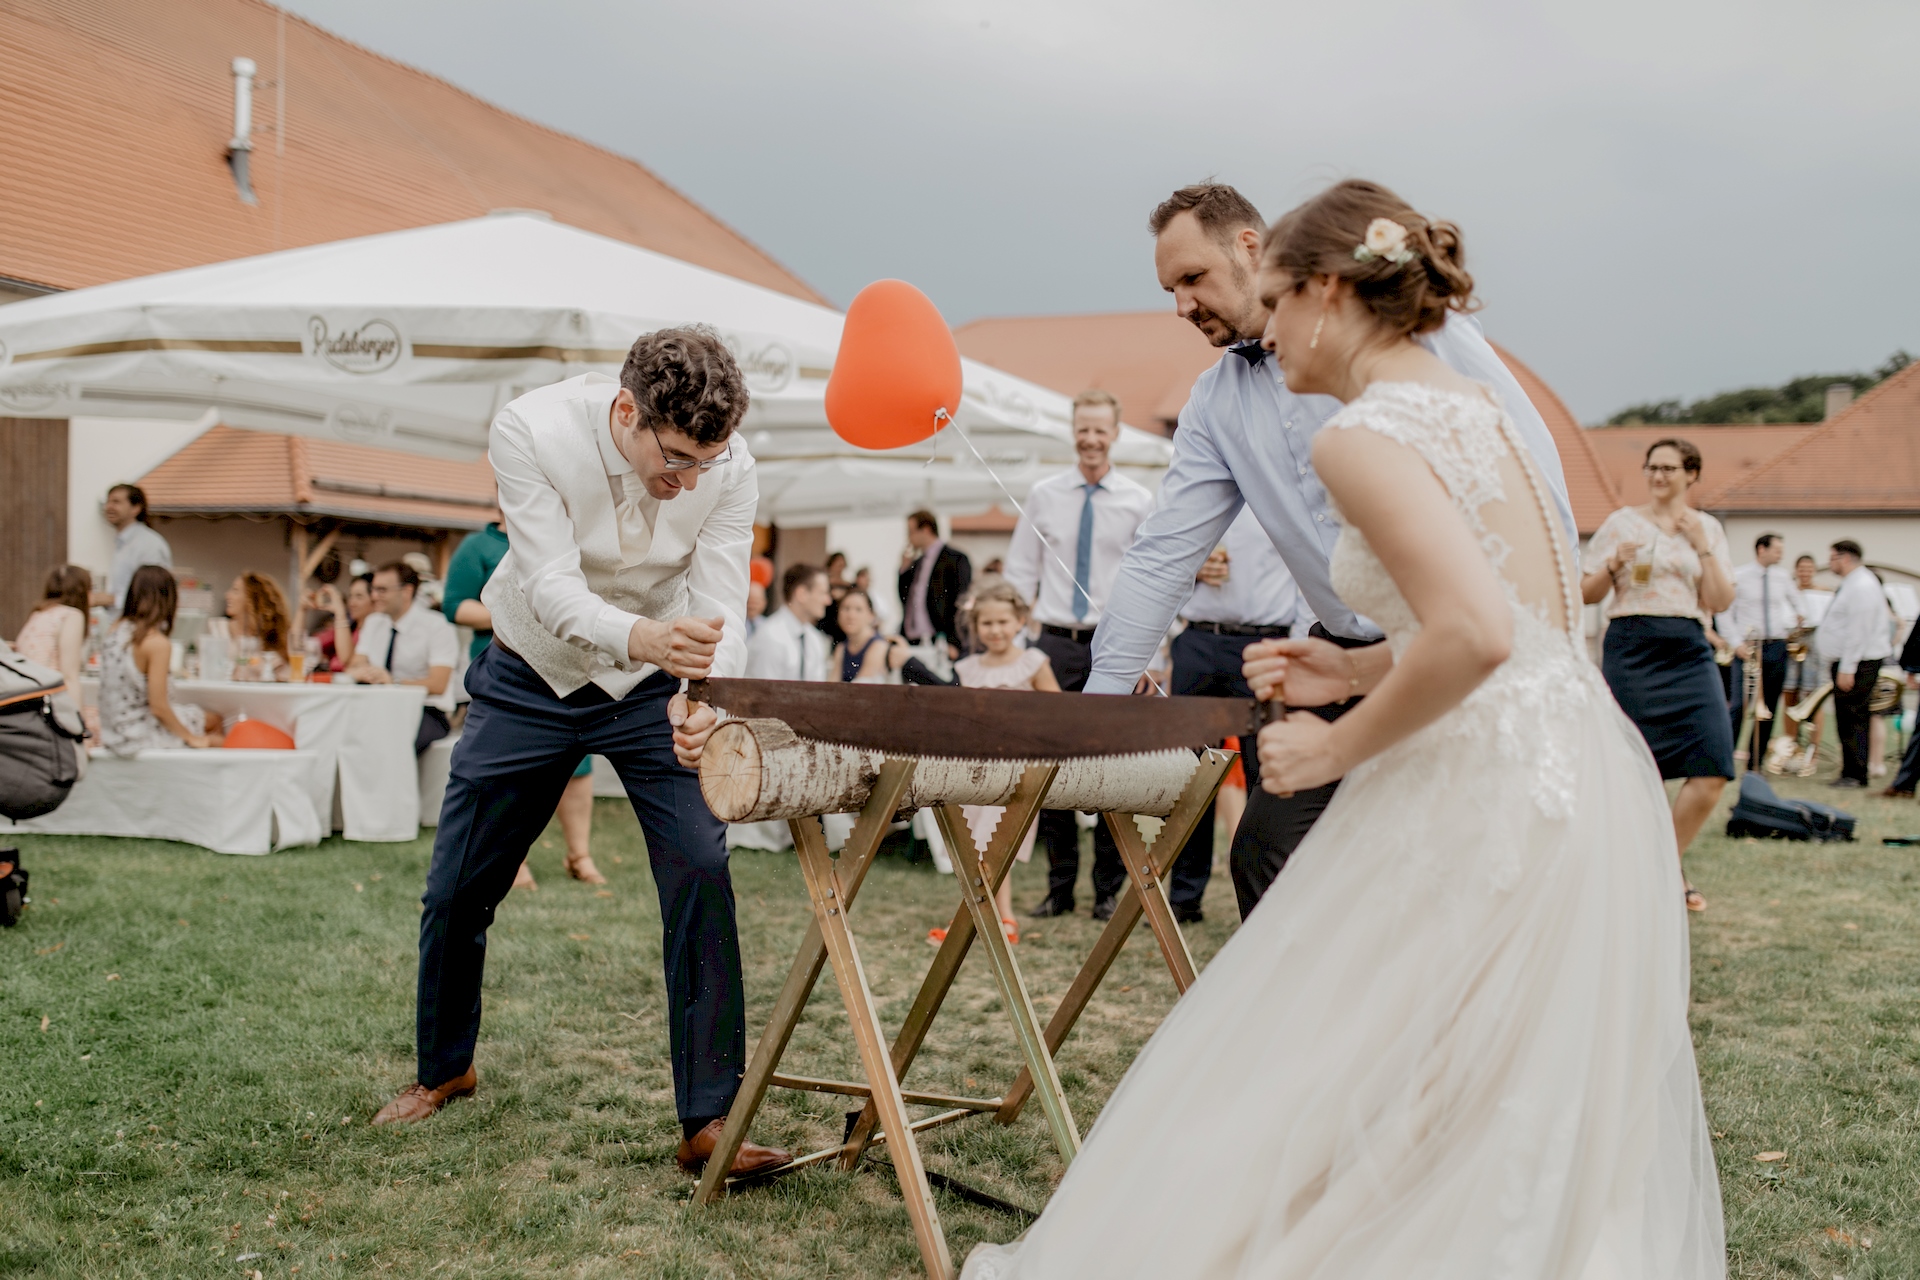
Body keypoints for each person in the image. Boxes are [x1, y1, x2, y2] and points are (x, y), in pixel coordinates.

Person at [962, 180, 1721, 1280]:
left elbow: (1491, 602)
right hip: (1530, 718)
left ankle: (1366, 1173)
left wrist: (1337, 737)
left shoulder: (1391, 405)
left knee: (1367, 985)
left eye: (1209, 282)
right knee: (1427, 978)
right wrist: (1331, 667)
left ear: (1296, 275)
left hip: (1476, 710)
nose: (1204, 309)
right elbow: (1172, 553)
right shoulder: (1284, 404)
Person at [1085, 182, 1574, 922]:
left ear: (1250, 247)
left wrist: (1546, 626)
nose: (1181, 306)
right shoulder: (1215, 403)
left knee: (1453, 872)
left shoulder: (1414, 346)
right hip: (1335, 662)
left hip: (1466, 652)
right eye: (1169, 289)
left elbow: (1531, 490)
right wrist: (1101, 707)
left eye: (1192, 279)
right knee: (1265, 850)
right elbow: (1162, 555)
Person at [372, 327, 792, 1181]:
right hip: (533, 672)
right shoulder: (529, 429)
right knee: (459, 885)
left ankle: (708, 1118)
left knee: (701, 869)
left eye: (704, 464)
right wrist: (643, 634)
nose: (687, 482)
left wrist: (703, 702)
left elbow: (719, 602)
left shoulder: (729, 465)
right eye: (674, 458)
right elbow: (552, 586)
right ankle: (445, 1066)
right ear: (626, 411)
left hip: (650, 688)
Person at [1003, 390, 1155, 921]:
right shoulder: (1044, 495)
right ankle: (1059, 887)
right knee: (1055, 768)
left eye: (1100, 430)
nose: (1091, 439)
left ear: (1116, 434)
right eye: (1082, 429)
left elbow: (1153, 580)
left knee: (1112, 767)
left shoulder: (1139, 500)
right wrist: (1021, 648)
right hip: (1054, 647)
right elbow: (1020, 573)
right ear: (1073, 432)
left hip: (1114, 648)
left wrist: (1149, 654)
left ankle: (1107, 890)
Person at [1582, 439, 1735, 912]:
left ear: (1692, 474)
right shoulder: (1620, 523)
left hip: (1689, 648)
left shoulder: (1706, 527)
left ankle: (1663, 866)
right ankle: (1655, 879)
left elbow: (1721, 600)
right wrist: (1612, 564)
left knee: (1712, 768)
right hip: (1632, 647)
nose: (1658, 476)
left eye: (1669, 468)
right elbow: (1586, 593)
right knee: (1633, 768)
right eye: (1652, 467)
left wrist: (1703, 547)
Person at [443, 515, 604, 889]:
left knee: (578, 768)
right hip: (509, 672)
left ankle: (579, 854)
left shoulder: (568, 538)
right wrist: (526, 617)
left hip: (568, 670)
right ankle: (515, 859)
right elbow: (455, 605)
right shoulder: (478, 547)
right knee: (512, 770)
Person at [1166, 510, 1298, 922]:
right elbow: (1159, 571)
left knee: (1267, 773)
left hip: (1266, 642)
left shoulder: (1279, 498)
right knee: (1190, 775)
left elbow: (1305, 576)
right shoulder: (1195, 501)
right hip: (1199, 640)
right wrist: (1192, 569)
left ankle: (1271, 891)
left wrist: (1297, 649)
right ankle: (1185, 897)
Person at [921, 581, 1060, 948]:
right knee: (975, 845)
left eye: (1003, 622)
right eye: (987, 623)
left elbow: (1058, 712)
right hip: (977, 770)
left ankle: (968, 919)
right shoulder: (967, 669)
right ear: (975, 626)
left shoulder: (1033, 663)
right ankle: (1003, 918)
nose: (996, 630)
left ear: (1019, 622)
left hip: (1017, 770)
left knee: (998, 842)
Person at [99, 564, 223, 753]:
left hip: (112, 732)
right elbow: (159, 707)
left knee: (206, 719)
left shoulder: (115, 630)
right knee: (218, 732)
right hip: (139, 735)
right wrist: (192, 738)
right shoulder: (155, 643)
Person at [348, 562, 461, 755]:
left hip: (426, 712)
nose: (374, 596)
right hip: (379, 707)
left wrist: (394, 683)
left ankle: (394, 786)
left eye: (382, 590)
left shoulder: (437, 626)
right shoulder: (374, 622)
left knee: (391, 742)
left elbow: (438, 684)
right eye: (373, 589)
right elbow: (355, 664)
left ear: (406, 591)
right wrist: (362, 671)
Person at [1821, 539, 1891, 789]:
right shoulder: (1853, 583)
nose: (1830, 563)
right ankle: (1850, 769)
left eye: (1832, 558)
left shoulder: (1861, 585)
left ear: (1846, 558)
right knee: (1847, 718)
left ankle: (1855, 774)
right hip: (1851, 660)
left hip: (1858, 663)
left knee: (1853, 717)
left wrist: (1847, 667)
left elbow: (1859, 630)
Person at [1779, 553, 1831, 775]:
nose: (1805, 572)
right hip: (1793, 643)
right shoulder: (1789, 591)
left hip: (1815, 646)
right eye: (1801, 568)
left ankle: (1813, 750)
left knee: (1812, 697)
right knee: (1790, 694)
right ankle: (1789, 746)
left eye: (1809, 569)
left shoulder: (1824, 593)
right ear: (1796, 570)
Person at [898, 510, 972, 657]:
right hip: (914, 639)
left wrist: (954, 641)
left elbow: (961, 600)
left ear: (925, 530)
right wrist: (904, 571)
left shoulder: (955, 558)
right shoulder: (917, 563)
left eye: (911, 532)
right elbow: (905, 599)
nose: (908, 538)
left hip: (941, 640)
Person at [746, 563, 834, 681]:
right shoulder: (770, 636)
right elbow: (764, 694)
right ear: (801, 594)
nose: (828, 601)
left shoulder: (814, 638)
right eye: (823, 593)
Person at [94, 483, 172, 615]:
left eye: (116, 502)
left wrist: (110, 599)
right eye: (108, 501)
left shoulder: (148, 544)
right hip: (120, 626)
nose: (109, 507)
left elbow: (153, 593)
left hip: (139, 626)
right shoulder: (122, 543)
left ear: (136, 508)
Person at [15, 565, 90, 696]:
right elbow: (69, 677)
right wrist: (77, 715)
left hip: (26, 695)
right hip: (49, 696)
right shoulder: (71, 616)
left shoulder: (39, 613)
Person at [224, 572, 295, 682]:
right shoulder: (220, 630)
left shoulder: (269, 637)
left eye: (235, 591)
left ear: (251, 599)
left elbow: (288, 674)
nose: (228, 595)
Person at [833, 589, 891, 682]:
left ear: (871, 615)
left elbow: (860, 686)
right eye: (846, 608)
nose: (851, 615)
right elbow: (832, 684)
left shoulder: (879, 646)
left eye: (858, 609)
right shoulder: (841, 648)